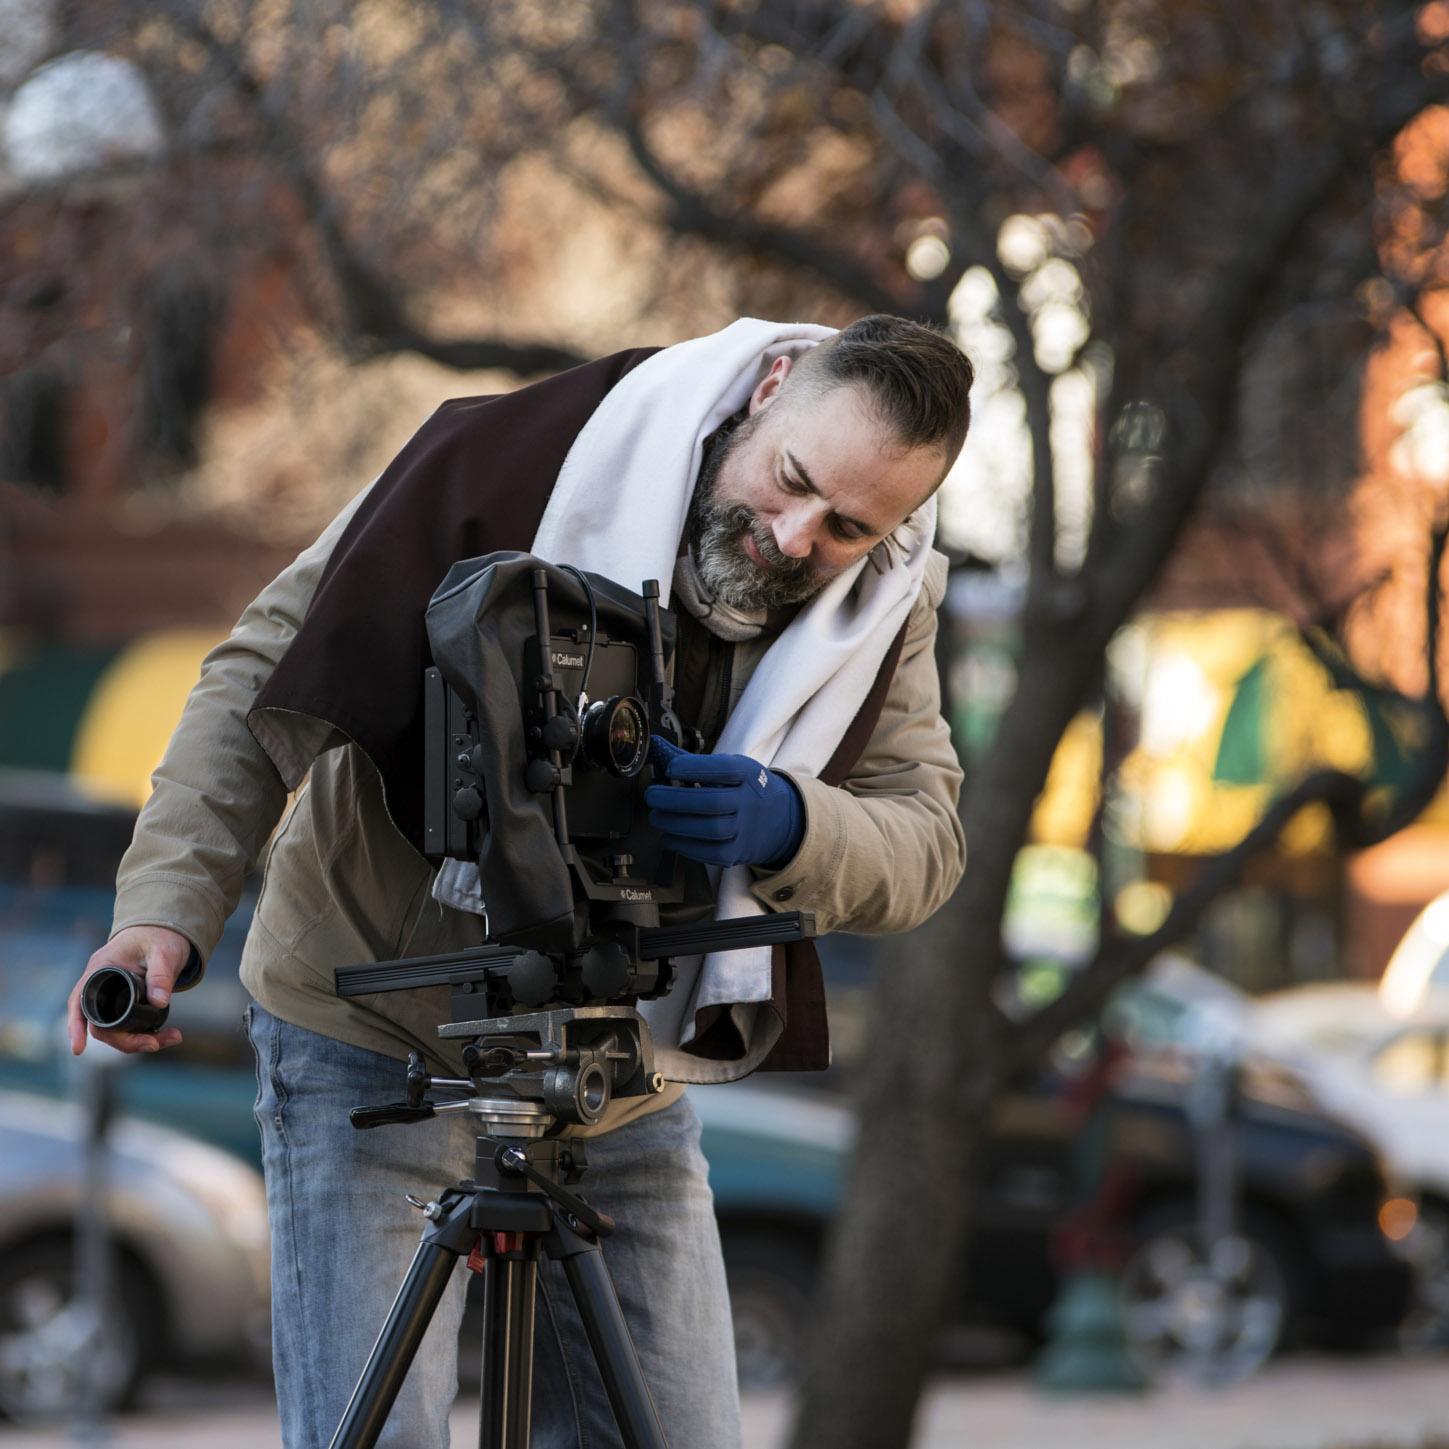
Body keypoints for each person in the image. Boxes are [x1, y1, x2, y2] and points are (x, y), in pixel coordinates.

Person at [66, 314, 972, 1449]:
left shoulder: (889, 595)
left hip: (617, 1060)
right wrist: (162, 914)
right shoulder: (507, 453)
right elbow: (265, 671)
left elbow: (925, 841)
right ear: (770, 385)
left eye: (847, 525)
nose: (794, 539)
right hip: (372, 1021)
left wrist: (791, 821)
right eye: (792, 482)